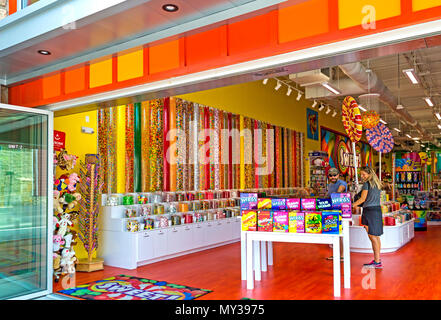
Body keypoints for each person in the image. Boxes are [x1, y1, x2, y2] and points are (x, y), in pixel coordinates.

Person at [352, 166, 383, 269]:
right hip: (377, 210)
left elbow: (362, 199)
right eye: (361, 174)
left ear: (369, 174)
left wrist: (351, 205)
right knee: (376, 236)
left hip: (369, 211)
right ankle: (377, 259)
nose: (362, 176)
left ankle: (377, 261)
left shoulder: (367, 183)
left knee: (372, 237)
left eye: (363, 174)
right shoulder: (377, 184)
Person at [326, 167, 347, 261]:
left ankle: (342, 255)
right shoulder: (330, 185)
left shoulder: (342, 183)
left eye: (335, 175)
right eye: (331, 175)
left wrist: (337, 193)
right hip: (331, 211)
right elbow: (328, 196)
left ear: (338, 175)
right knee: (334, 232)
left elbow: (340, 191)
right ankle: (336, 254)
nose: (333, 177)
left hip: (340, 211)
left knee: (340, 233)